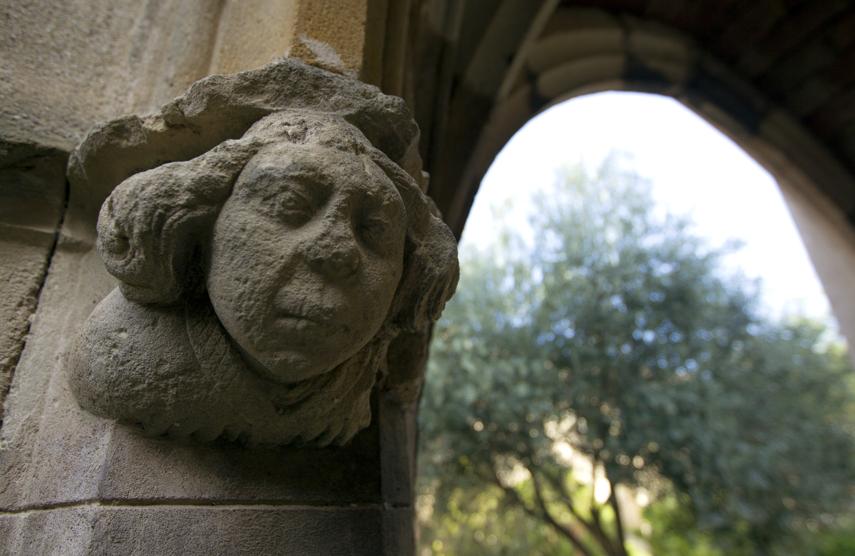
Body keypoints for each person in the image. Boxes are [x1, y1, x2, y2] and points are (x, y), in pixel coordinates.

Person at [69, 110, 458, 446]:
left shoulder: (354, 385)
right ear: (201, 226)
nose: (337, 250)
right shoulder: (126, 356)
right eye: (291, 204)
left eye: (374, 231)